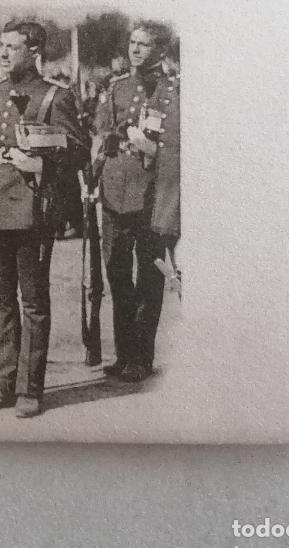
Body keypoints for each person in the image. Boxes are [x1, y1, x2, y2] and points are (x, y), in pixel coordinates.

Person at [0, 22, 84, 418]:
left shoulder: (55, 96)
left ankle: (30, 390)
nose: (4, 53)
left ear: (34, 51)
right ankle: (3, 384)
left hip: (31, 213)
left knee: (32, 303)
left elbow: (78, 152)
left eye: (13, 47)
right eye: (2, 46)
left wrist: (41, 163)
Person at [93, 22, 180, 384]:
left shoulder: (171, 93)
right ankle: (123, 351)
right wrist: (95, 173)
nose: (137, 50)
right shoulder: (117, 88)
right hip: (115, 191)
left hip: (150, 195)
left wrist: (148, 148)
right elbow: (101, 132)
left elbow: (173, 149)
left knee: (148, 278)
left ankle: (141, 357)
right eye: (133, 43)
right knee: (116, 272)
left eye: (145, 45)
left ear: (160, 51)